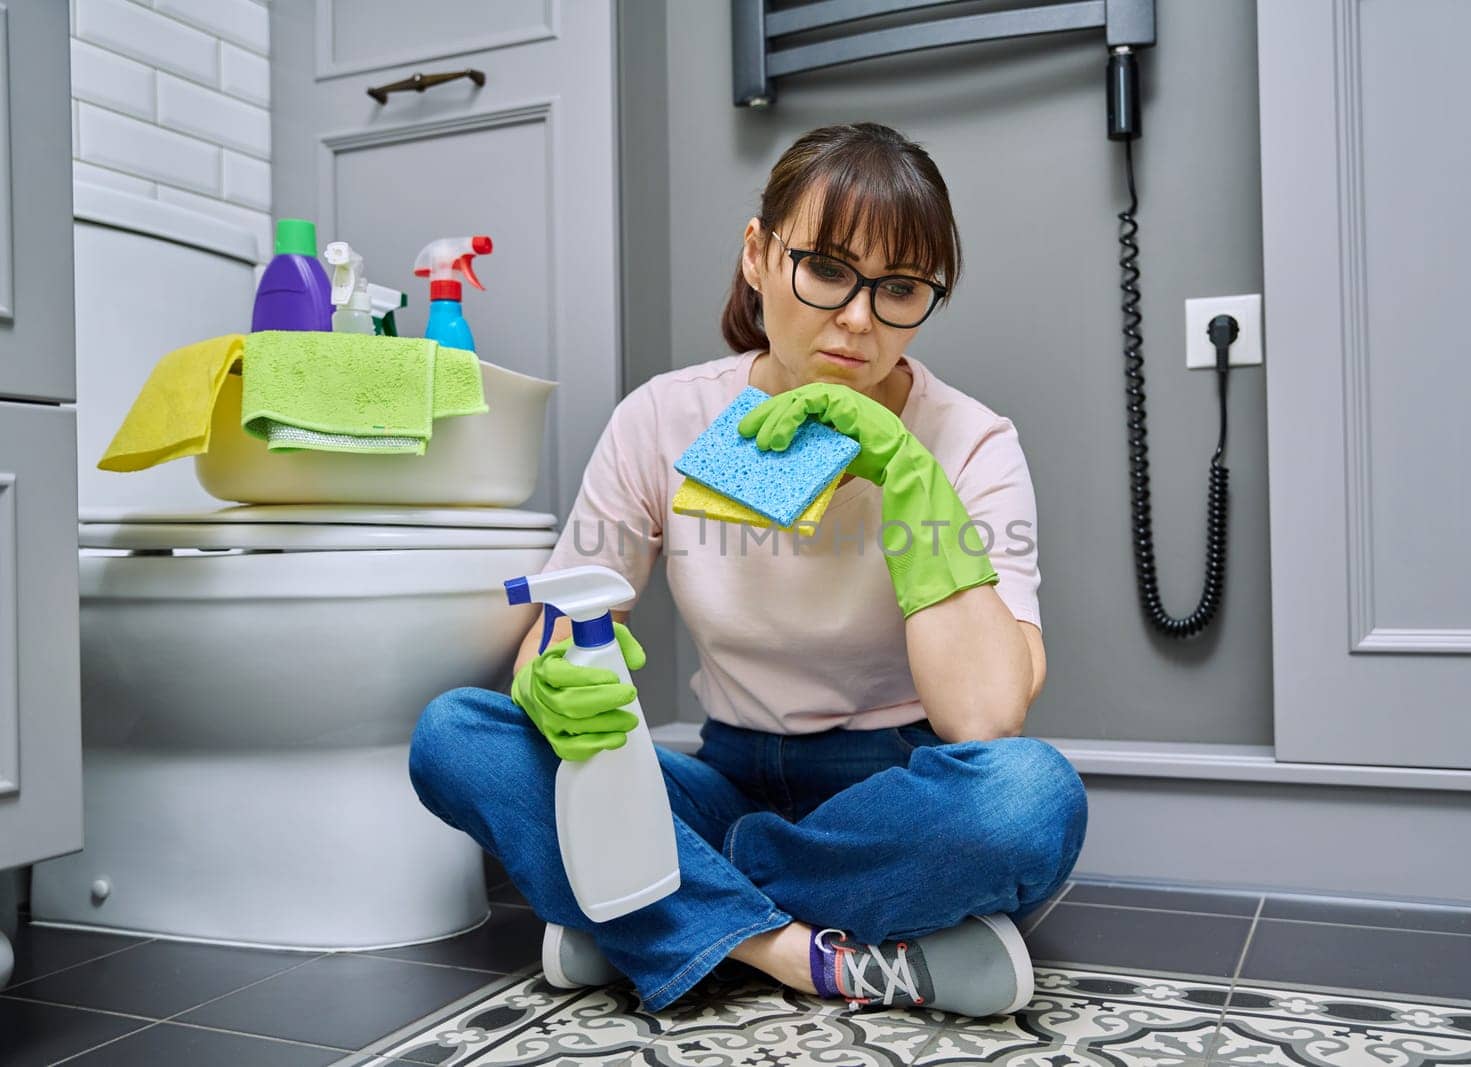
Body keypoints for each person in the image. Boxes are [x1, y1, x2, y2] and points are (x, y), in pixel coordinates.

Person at [409, 122, 1088, 1019]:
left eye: (901, 289)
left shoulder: (971, 441)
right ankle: (798, 952)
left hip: (887, 790)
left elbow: (985, 717)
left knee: (1030, 800)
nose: (858, 318)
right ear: (759, 256)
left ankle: (649, 908)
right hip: (717, 777)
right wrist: (557, 679)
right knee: (456, 732)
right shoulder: (663, 417)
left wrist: (911, 478)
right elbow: (561, 620)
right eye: (828, 269)